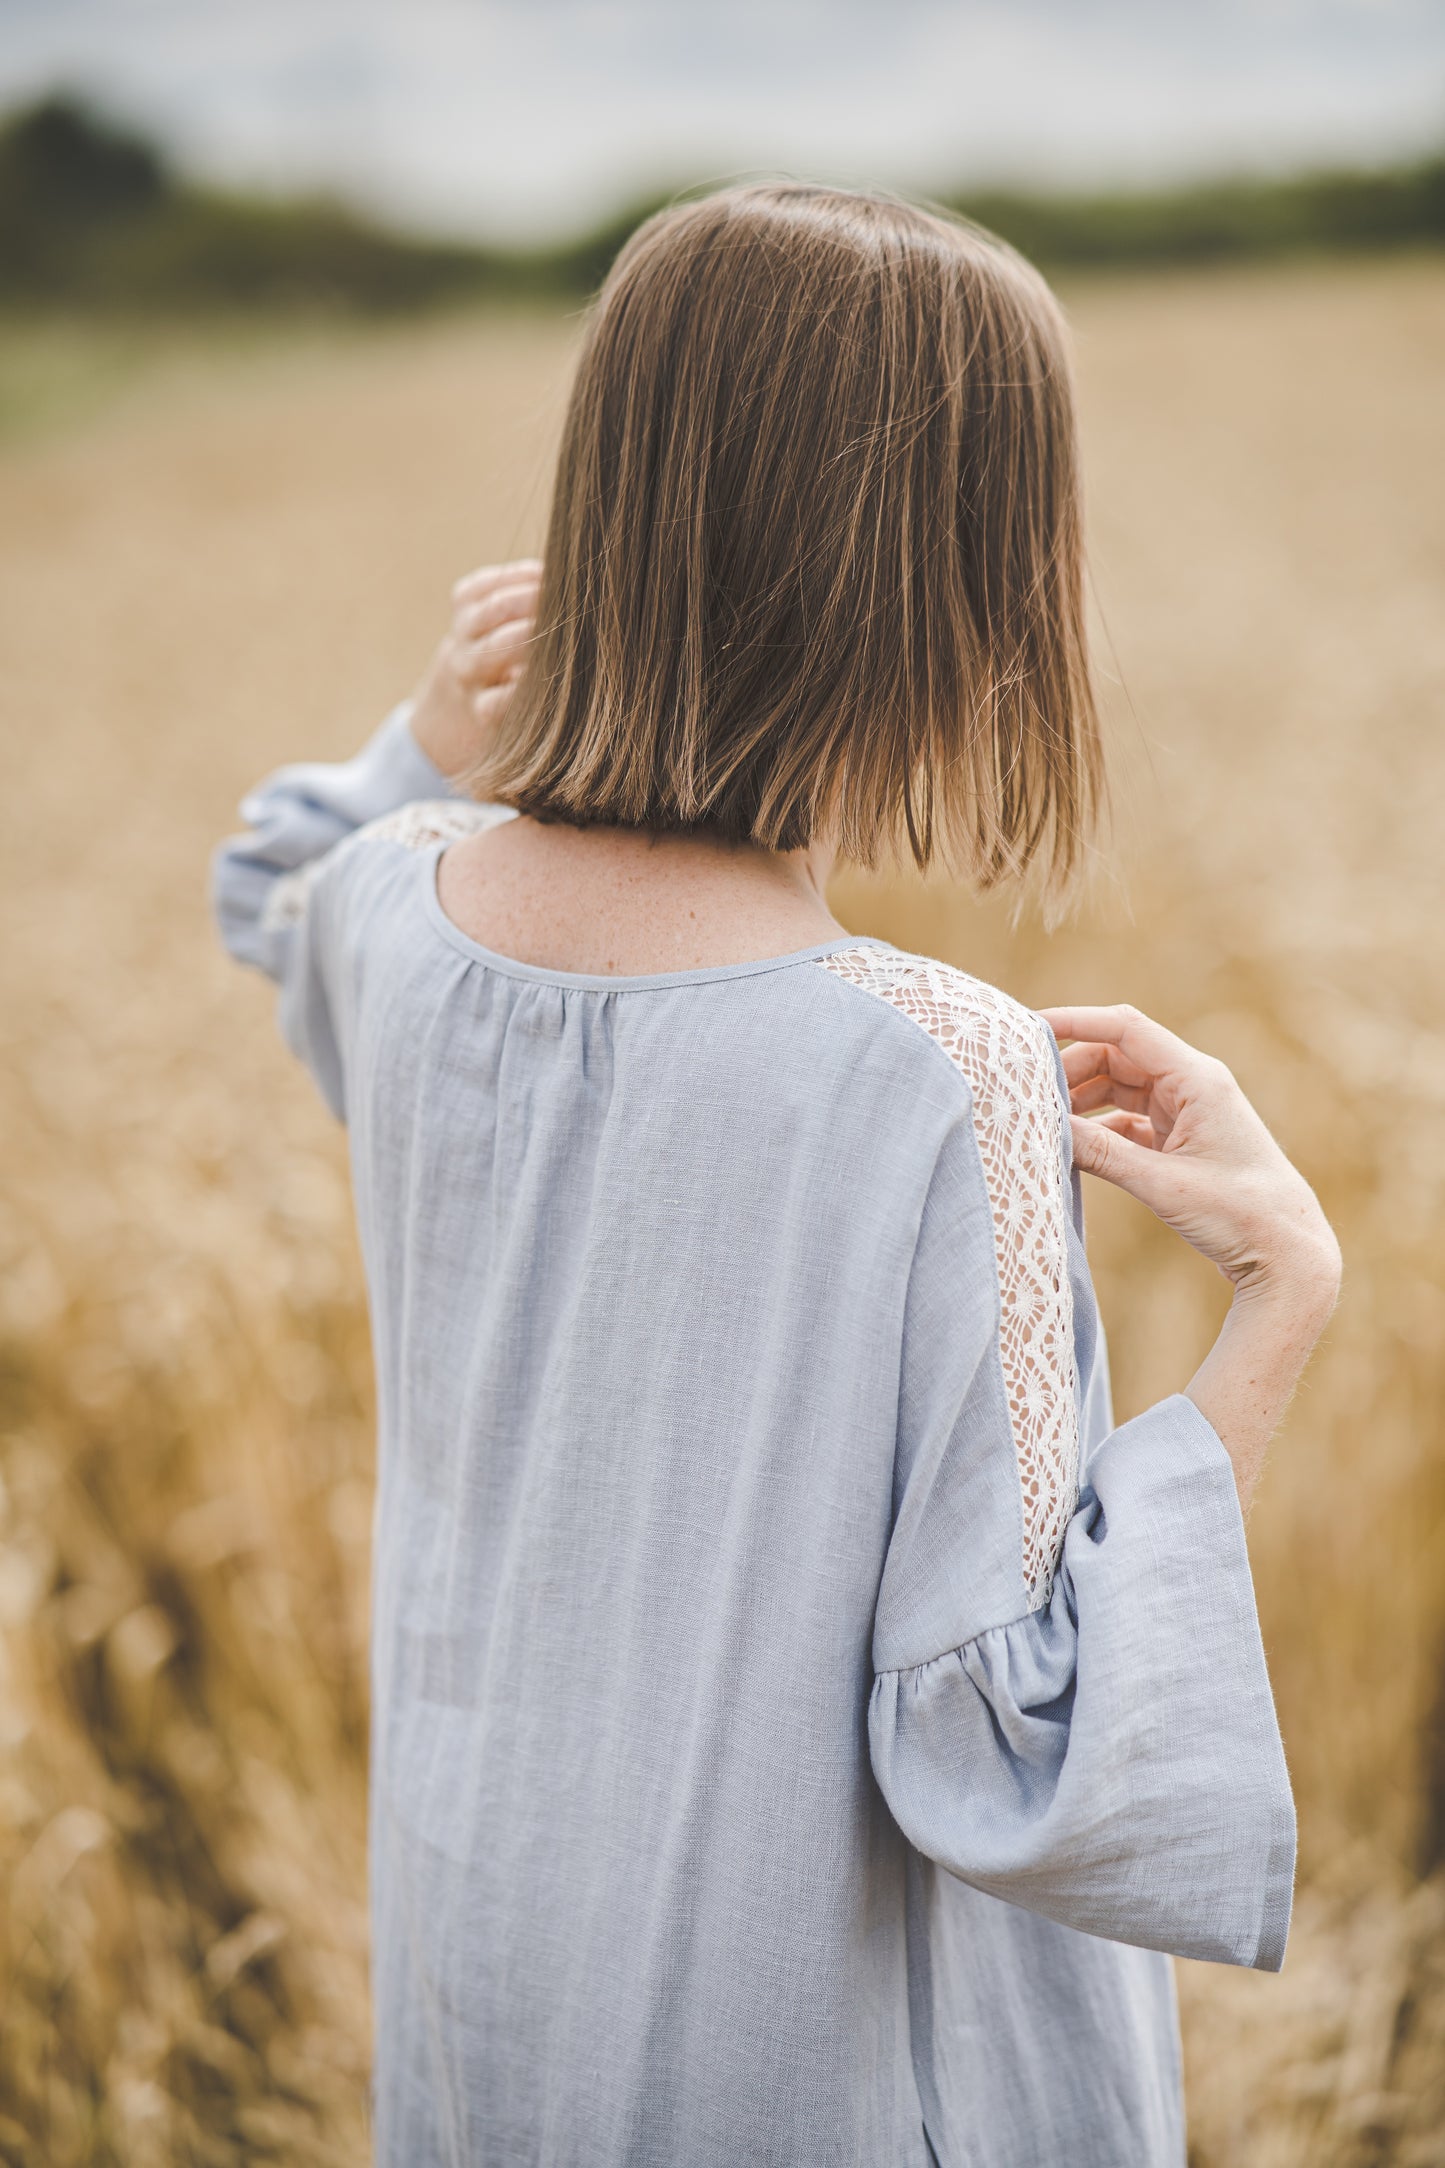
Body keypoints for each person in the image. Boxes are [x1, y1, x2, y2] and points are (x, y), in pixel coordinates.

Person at [212, 183, 1340, 2168]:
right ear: (951, 582)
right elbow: (1024, 1743)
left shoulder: (392, 920)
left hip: (492, 2018)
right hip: (808, 2075)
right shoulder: (932, 1074)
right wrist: (1283, 1301)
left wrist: (429, 738)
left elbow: (273, 879)